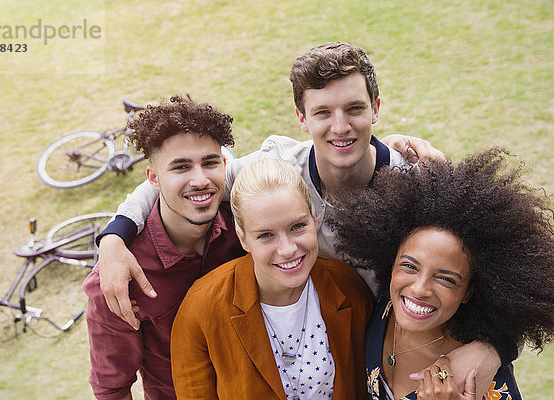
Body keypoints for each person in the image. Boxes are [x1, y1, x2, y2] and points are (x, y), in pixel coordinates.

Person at [96, 42, 502, 392]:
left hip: (396, 351)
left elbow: (484, 277)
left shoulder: (415, 185)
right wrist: (114, 237)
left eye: (354, 108)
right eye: (322, 112)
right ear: (301, 118)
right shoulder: (277, 166)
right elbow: (183, 179)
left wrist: (495, 348)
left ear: (376, 109)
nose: (340, 127)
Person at [330, 148, 554, 399]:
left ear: (469, 291)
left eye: (446, 279)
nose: (419, 289)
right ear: (390, 260)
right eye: (410, 266)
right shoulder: (383, 306)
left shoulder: (479, 382)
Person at [82, 96, 246, 400]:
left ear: (225, 165)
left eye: (209, 163)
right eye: (181, 167)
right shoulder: (118, 278)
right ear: (154, 179)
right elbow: (112, 388)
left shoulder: (248, 226)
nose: (200, 180)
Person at [171, 158, 374, 399]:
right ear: (243, 238)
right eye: (266, 235)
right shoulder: (201, 308)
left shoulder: (349, 288)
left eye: (297, 226)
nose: (287, 249)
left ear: (315, 218)